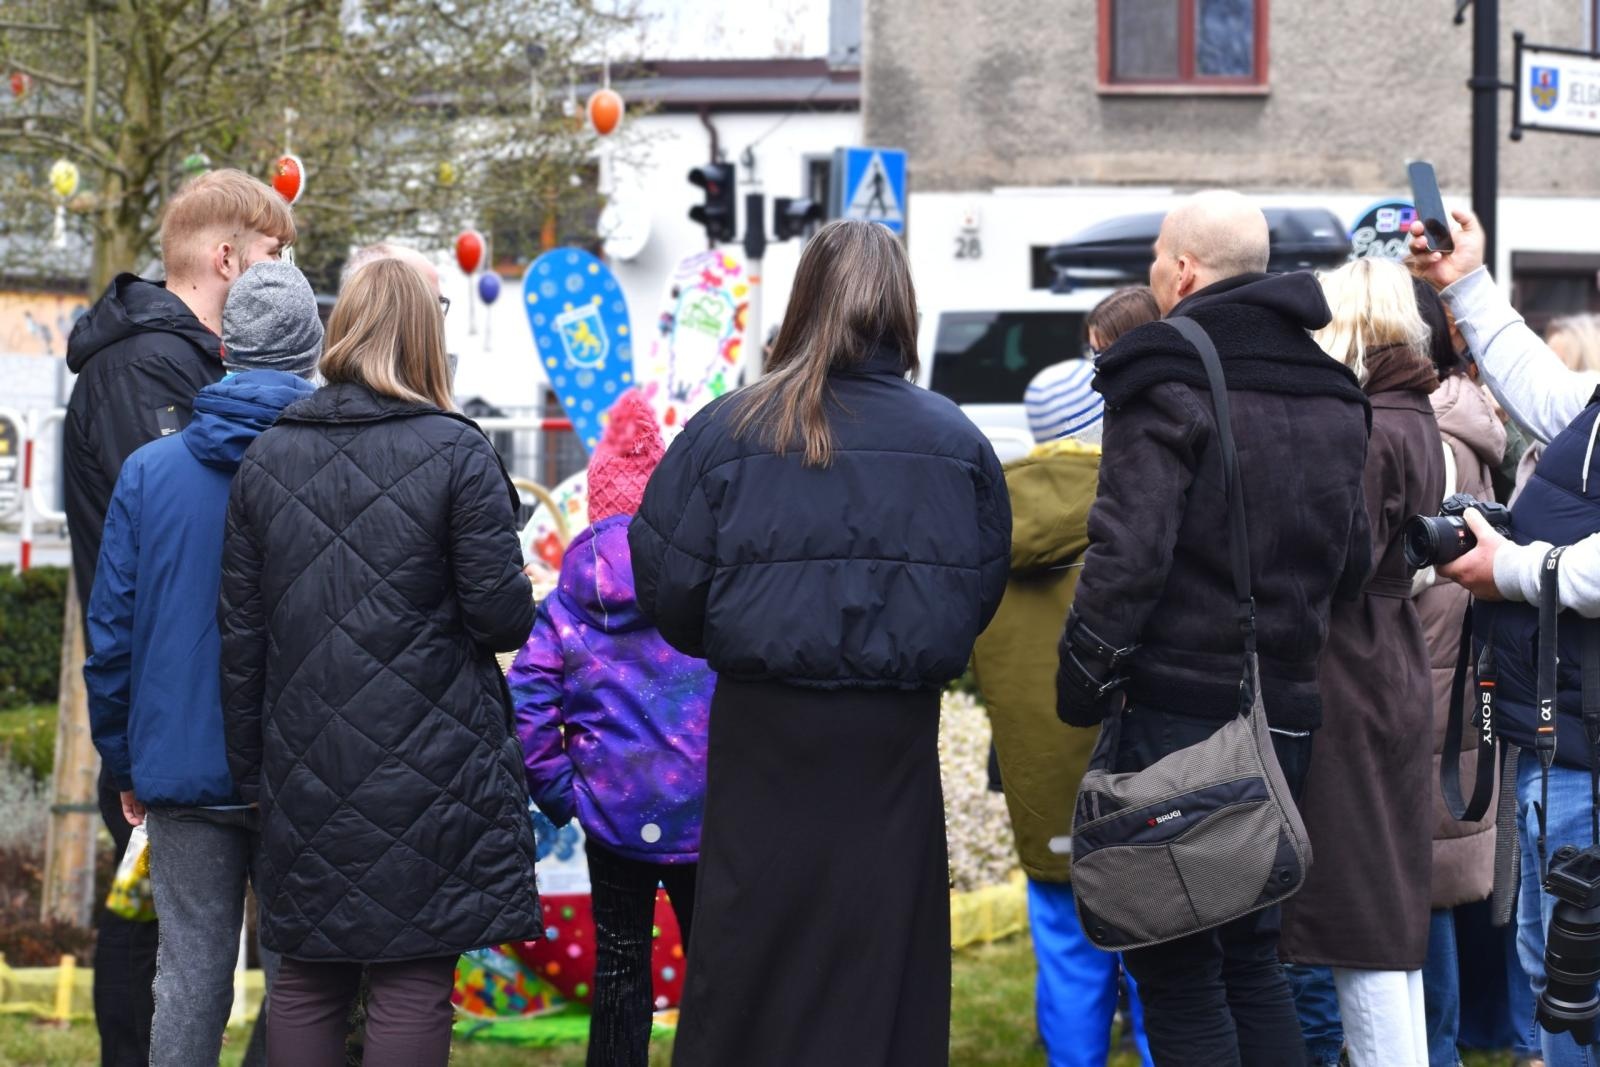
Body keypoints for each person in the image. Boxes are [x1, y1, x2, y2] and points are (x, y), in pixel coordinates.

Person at [629, 219, 1011, 1067]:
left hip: (767, 728)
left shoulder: (730, 429)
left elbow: (666, 580)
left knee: (750, 945)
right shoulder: (955, 443)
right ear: (902, 308)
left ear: (803, 303)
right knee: (881, 947)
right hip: (890, 735)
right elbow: (977, 588)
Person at [1057, 190, 1373, 1067]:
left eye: (1158, 258)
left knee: (1178, 967)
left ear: (1184, 270)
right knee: (1251, 958)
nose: (1153, 273)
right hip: (1289, 712)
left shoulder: (1162, 372)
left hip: (1179, 712)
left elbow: (1127, 553)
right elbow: (1355, 563)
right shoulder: (1336, 387)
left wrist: (1079, 681)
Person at [217, 259, 542, 1066]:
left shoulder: (267, 457)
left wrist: (253, 774)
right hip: (431, 767)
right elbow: (499, 615)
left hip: (305, 765)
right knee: (411, 976)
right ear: (428, 337)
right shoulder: (457, 453)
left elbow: (241, 637)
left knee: (306, 979)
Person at [63, 167, 295, 1067]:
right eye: (275, 256)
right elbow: (172, 545)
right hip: (180, 706)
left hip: (190, 703)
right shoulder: (145, 370)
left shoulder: (187, 363)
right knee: (168, 951)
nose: (284, 278)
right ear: (228, 257)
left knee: (193, 957)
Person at [1411, 208, 1600, 1067]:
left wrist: (1510, 567)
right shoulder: (1594, 409)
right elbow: (1540, 387)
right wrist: (1465, 283)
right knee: (1555, 962)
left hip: (1587, 752)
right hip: (1559, 737)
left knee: (1578, 969)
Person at [972, 286, 1157, 1067]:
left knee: (1064, 944)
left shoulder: (992, 526)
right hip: (1140, 773)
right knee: (1158, 948)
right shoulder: (1141, 505)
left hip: (1042, 782)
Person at [509, 388, 714, 1067]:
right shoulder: (698, 589)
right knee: (716, 971)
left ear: (595, 503)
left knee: (621, 968)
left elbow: (529, 700)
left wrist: (565, 793)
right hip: (701, 814)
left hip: (612, 813)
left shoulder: (569, 600)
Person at [1277, 258, 1446, 1067]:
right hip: (1389, 661)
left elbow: (1341, 558)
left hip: (1352, 668)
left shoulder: (1373, 423)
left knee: (1359, 917)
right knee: (1384, 908)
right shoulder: (1416, 414)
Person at [1409, 277, 1507, 1067]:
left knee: (1426, 864)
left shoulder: (1428, 432)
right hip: (1458, 649)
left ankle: (1436, 1045)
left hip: (1430, 654)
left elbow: (1417, 559)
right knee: (1439, 856)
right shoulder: (1461, 411)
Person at [1023, 286, 1160, 445]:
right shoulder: (1129, 411)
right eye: (1091, 352)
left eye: (1103, 351)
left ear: (1139, 348)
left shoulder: (1162, 419)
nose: (1096, 365)